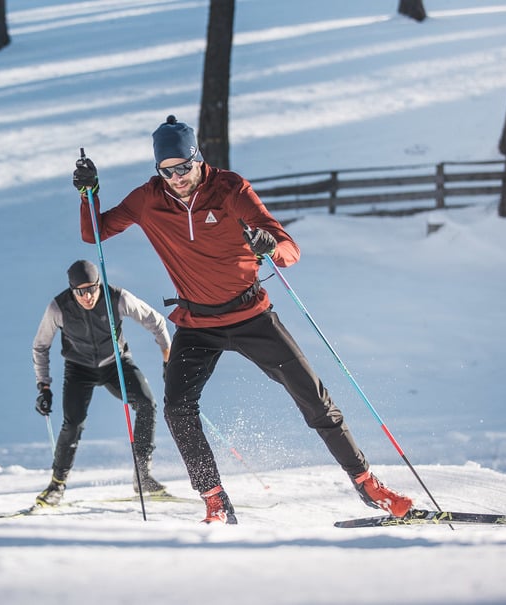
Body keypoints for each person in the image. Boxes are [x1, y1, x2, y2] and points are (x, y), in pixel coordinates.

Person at [71, 115, 414, 524]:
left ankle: (366, 482)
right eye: (167, 170)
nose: (177, 177)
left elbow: (289, 250)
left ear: (198, 159)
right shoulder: (149, 198)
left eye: (183, 167)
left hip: (251, 315)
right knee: (177, 408)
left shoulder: (230, 189)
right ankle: (214, 499)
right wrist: (88, 194)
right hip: (197, 324)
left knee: (312, 396)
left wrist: (270, 245)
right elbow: (96, 232)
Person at [32, 259, 172, 507]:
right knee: (73, 423)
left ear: (99, 284)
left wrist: (167, 361)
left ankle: (143, 476)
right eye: (80, 292)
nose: (87, 297)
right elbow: (40, 346)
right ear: (72, 290)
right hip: (79, 368)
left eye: (92, 289)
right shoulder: (58, 307)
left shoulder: (118, 298)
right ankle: (56, 485)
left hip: (115, 363)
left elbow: (157, 322)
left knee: (147, 404)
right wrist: (44, 386)